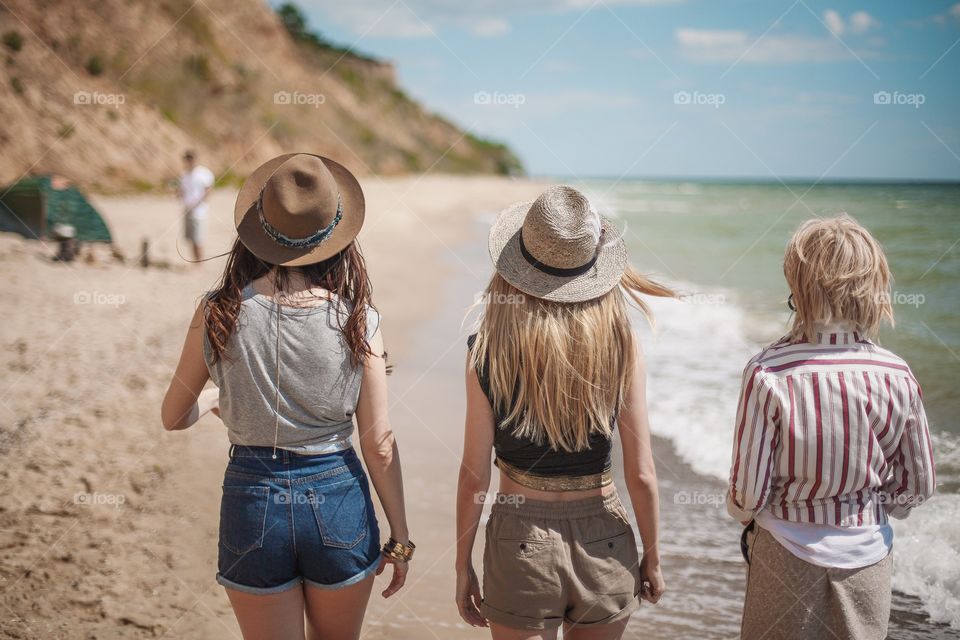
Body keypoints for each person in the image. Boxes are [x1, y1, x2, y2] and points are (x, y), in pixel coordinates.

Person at [161, 153, 412, 640]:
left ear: (258, 229)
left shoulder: (218, 311)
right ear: (337, 236)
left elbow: (173, 416)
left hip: (252, 497)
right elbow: (378, 443)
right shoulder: (359, 319)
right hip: (338, 495)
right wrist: (401, 540)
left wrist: (217, 401)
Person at [455, 186, 674, 640]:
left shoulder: (488, 352)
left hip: (520, 538)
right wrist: (651, 556)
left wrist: (462, 566)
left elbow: (474, 477)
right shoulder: (621, 346)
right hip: (605, 536)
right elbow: (643, 473)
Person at [727, 215, 936, 640]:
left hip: (785, 549)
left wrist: (743, 513)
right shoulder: (896, 373)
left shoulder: (770, 372)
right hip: (867, 553)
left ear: (798, 288)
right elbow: (921, 483)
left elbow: (748, 493)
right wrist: (876, 508)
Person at [178, 150, 214, 262]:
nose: (189, 161)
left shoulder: (203, 173)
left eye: (191, 158)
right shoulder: (184, 174)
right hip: (187, 209)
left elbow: (208, 191)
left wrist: (197, 205)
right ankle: (194, 261)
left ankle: (199, 263)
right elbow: (182, 191)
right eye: (187, 158)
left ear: (195, 159)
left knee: (198, 238)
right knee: (190, 239)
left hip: (199, 212)